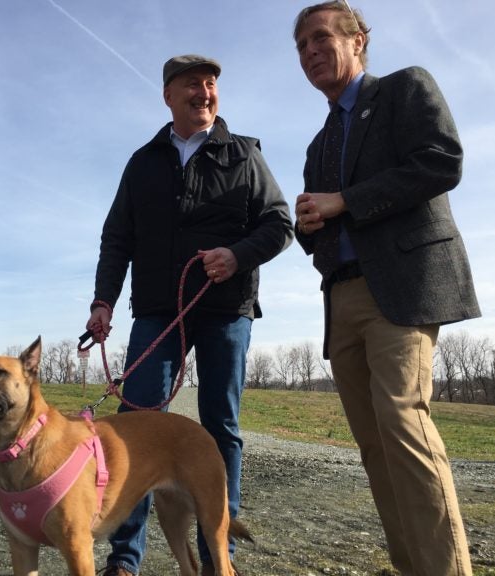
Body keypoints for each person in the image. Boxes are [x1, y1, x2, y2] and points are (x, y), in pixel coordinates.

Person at [85, 54, 293, 576]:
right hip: (158, 309)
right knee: (134, 424)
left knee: (220, 424)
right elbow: (118, 237)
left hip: (226, 308)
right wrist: (103, 301)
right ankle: (125, 559)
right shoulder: (143, 162)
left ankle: (219, 557)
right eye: (192, 85)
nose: (204, 92)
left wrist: (237, 255)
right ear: (168, 95)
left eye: (211, 84)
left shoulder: (244, 153)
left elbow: (279, 224)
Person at [292, 2, 480, 575]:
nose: (311, 52)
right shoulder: (318, 143)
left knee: (403, 425)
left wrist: (344, 201)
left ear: (359, 39)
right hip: (341, 298)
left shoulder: (404, 89)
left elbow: (441, 162)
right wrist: (309, 224)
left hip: (400, 289)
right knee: (374, 448)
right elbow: (320, 222)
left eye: (321, 37)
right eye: (301, 46)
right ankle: (411, 566)